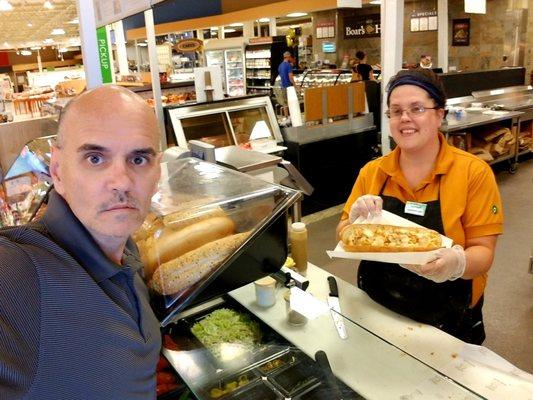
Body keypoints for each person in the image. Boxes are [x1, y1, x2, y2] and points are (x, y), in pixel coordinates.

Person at [0, 85, 162, 399]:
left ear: (157, 172)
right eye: (95, 158)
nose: (122, 182)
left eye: (139, 159)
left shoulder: (128, 252)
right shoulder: (18, 272)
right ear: (58, 171)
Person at [336, 69, 503, 344]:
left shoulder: (473, 173)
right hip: (378, 308)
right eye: (396, 110)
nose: (405, 118)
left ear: (440, 114)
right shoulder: (373, 172)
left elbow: (484, 253)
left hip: (448, 320)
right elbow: (343, 233)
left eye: (417, 108)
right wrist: (351, 224)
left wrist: (456, 263)